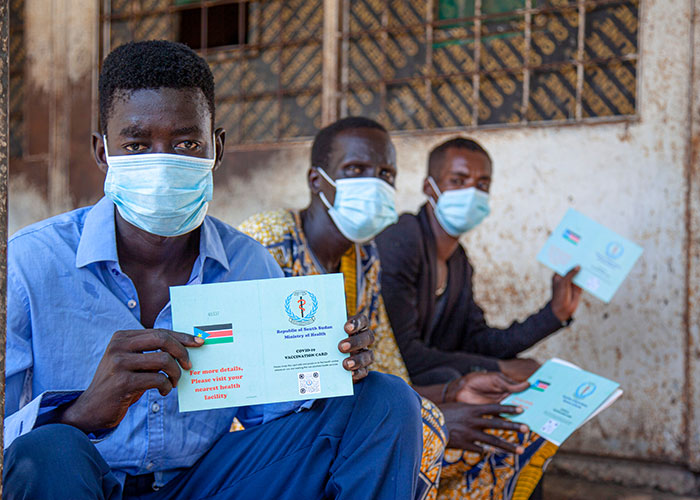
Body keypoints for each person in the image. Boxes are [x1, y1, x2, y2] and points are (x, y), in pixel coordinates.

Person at [3, 41, 424, 500]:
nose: (162, 164)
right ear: (103, 152)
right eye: (137, 144)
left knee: (385, 401)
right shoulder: (30, 264)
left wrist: (330, 368)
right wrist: (82, 413)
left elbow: (281, 418)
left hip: (204, 486)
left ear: (216, 148)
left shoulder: (249, 266)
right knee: (48, 450)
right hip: (80, 484)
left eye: (186, 143)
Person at [239, 117, 554, 500]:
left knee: (499, 437)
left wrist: (453, 390)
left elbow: (387, 369)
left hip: (350, 418)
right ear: (316, 180)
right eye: (355, 170)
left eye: (385, 173)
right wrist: (432, 417)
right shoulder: (270, 239)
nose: (372, 183)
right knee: (430, 437)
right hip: (271, 432)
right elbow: (256, 386)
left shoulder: (363, 257)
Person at [375, 137, 583, 386]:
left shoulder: (459, 262)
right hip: (383, 383)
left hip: (418, 379)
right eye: (458, 181)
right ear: (429, 187)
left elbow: (476, 341)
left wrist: (553, 314)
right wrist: (500, 368)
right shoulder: (402, 238)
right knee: (455, 379)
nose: (471, 193)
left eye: (482, 185)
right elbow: (404, 354)